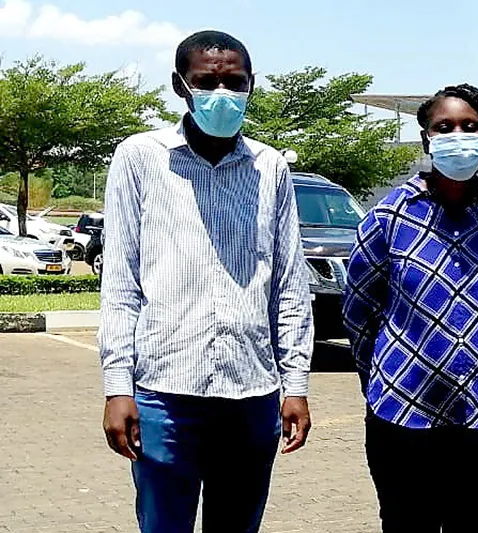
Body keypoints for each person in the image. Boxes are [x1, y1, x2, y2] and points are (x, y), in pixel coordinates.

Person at [99, 30, 313, 533]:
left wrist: (296, 386)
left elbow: (288, 284)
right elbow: (121, 282)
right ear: (181, 85)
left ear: (251, 83)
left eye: (235, 82)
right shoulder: (140, 158)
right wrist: (117, 388)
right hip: (164, 392)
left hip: (251, 392)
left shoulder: (269, 167)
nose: (222, 94)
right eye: (207, 81)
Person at [343, 84, 478, 533]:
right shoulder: (388, 218)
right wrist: (386, 374)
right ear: (427, 139)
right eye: (445, 127)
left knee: (477, 525)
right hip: (401, 412)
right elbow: (358, 311)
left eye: (470, 126)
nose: (458, 136)